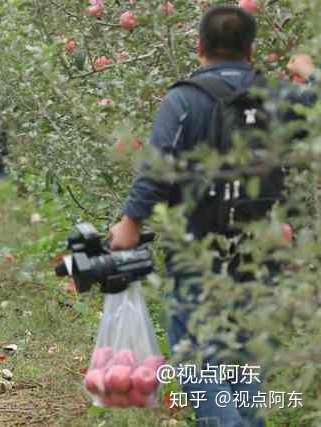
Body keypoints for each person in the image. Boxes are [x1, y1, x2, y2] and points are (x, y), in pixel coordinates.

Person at [108, 6, 317, 427]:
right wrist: (310, 73)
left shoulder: (183, 99)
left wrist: (130, 223)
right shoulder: (274, 96)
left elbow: (157, 169)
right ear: (251, 49)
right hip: (259, 248)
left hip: (197, 247)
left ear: (199, 46)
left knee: (194, 356)